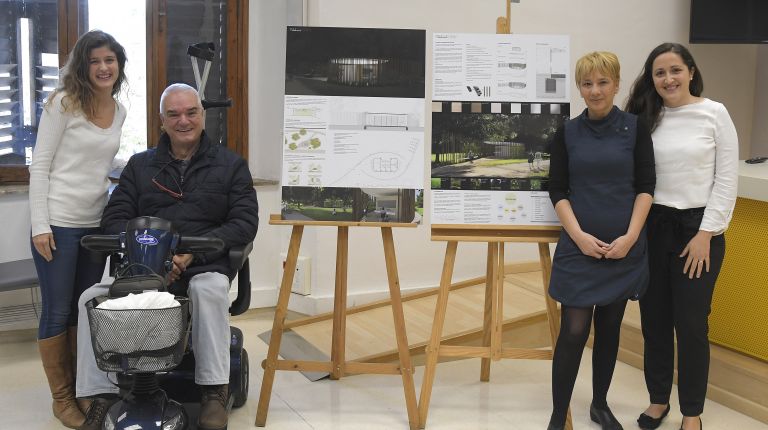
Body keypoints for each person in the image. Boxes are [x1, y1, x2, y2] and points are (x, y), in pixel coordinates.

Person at [74, 83, 259, 430]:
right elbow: (113, 219)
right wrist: (150, 252)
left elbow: (244, 223)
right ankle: (99, 397)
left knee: (208, 291)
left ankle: (214, 392)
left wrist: (187, 254)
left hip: (204, 265)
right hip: (143, 267)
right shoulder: (140, 166)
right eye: (173, 114)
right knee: (91, 298)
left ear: (202, 116)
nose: (183, 120)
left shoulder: (231, 165)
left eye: (190, 112)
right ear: (162, 121)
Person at [625, 43, 737, 430]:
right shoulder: (644, 117)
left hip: (698, 231)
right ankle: (658, 400)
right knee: (653, 320)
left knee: (691, 325)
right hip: (653, 227)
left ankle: (692, 411)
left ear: (690, 71)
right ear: (651, 79)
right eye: (659, 73)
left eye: (675, 70)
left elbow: (726, 181)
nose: (668, 79)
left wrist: (707, 233)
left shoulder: (714, 113)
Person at [547, 51, 656, 430]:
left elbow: (646, 187)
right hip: (579, 248)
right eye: (587, 84)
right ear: (580, 87)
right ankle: (558, 415)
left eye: (602, 82)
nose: (595, 91)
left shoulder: (636, 128)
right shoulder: (566, 132)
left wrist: (630, 236)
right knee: (573, 331)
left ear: (616, 83)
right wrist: (577, 236)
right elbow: (557, 189)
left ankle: (599, 404)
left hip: (622, 248)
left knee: (609, 329)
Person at [27, 30, 127, 429]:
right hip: (57, 224)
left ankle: (85, 388)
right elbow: (41, 166)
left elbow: (99, 164)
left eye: (110, 60)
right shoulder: (62, 104)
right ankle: (62, 397)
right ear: (83, 66)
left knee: (85, 311)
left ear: (119, 66)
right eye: (95, 61)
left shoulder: (118, 110)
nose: (104, 68)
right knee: (57, 310)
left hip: (94, 225)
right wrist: (39, 225)